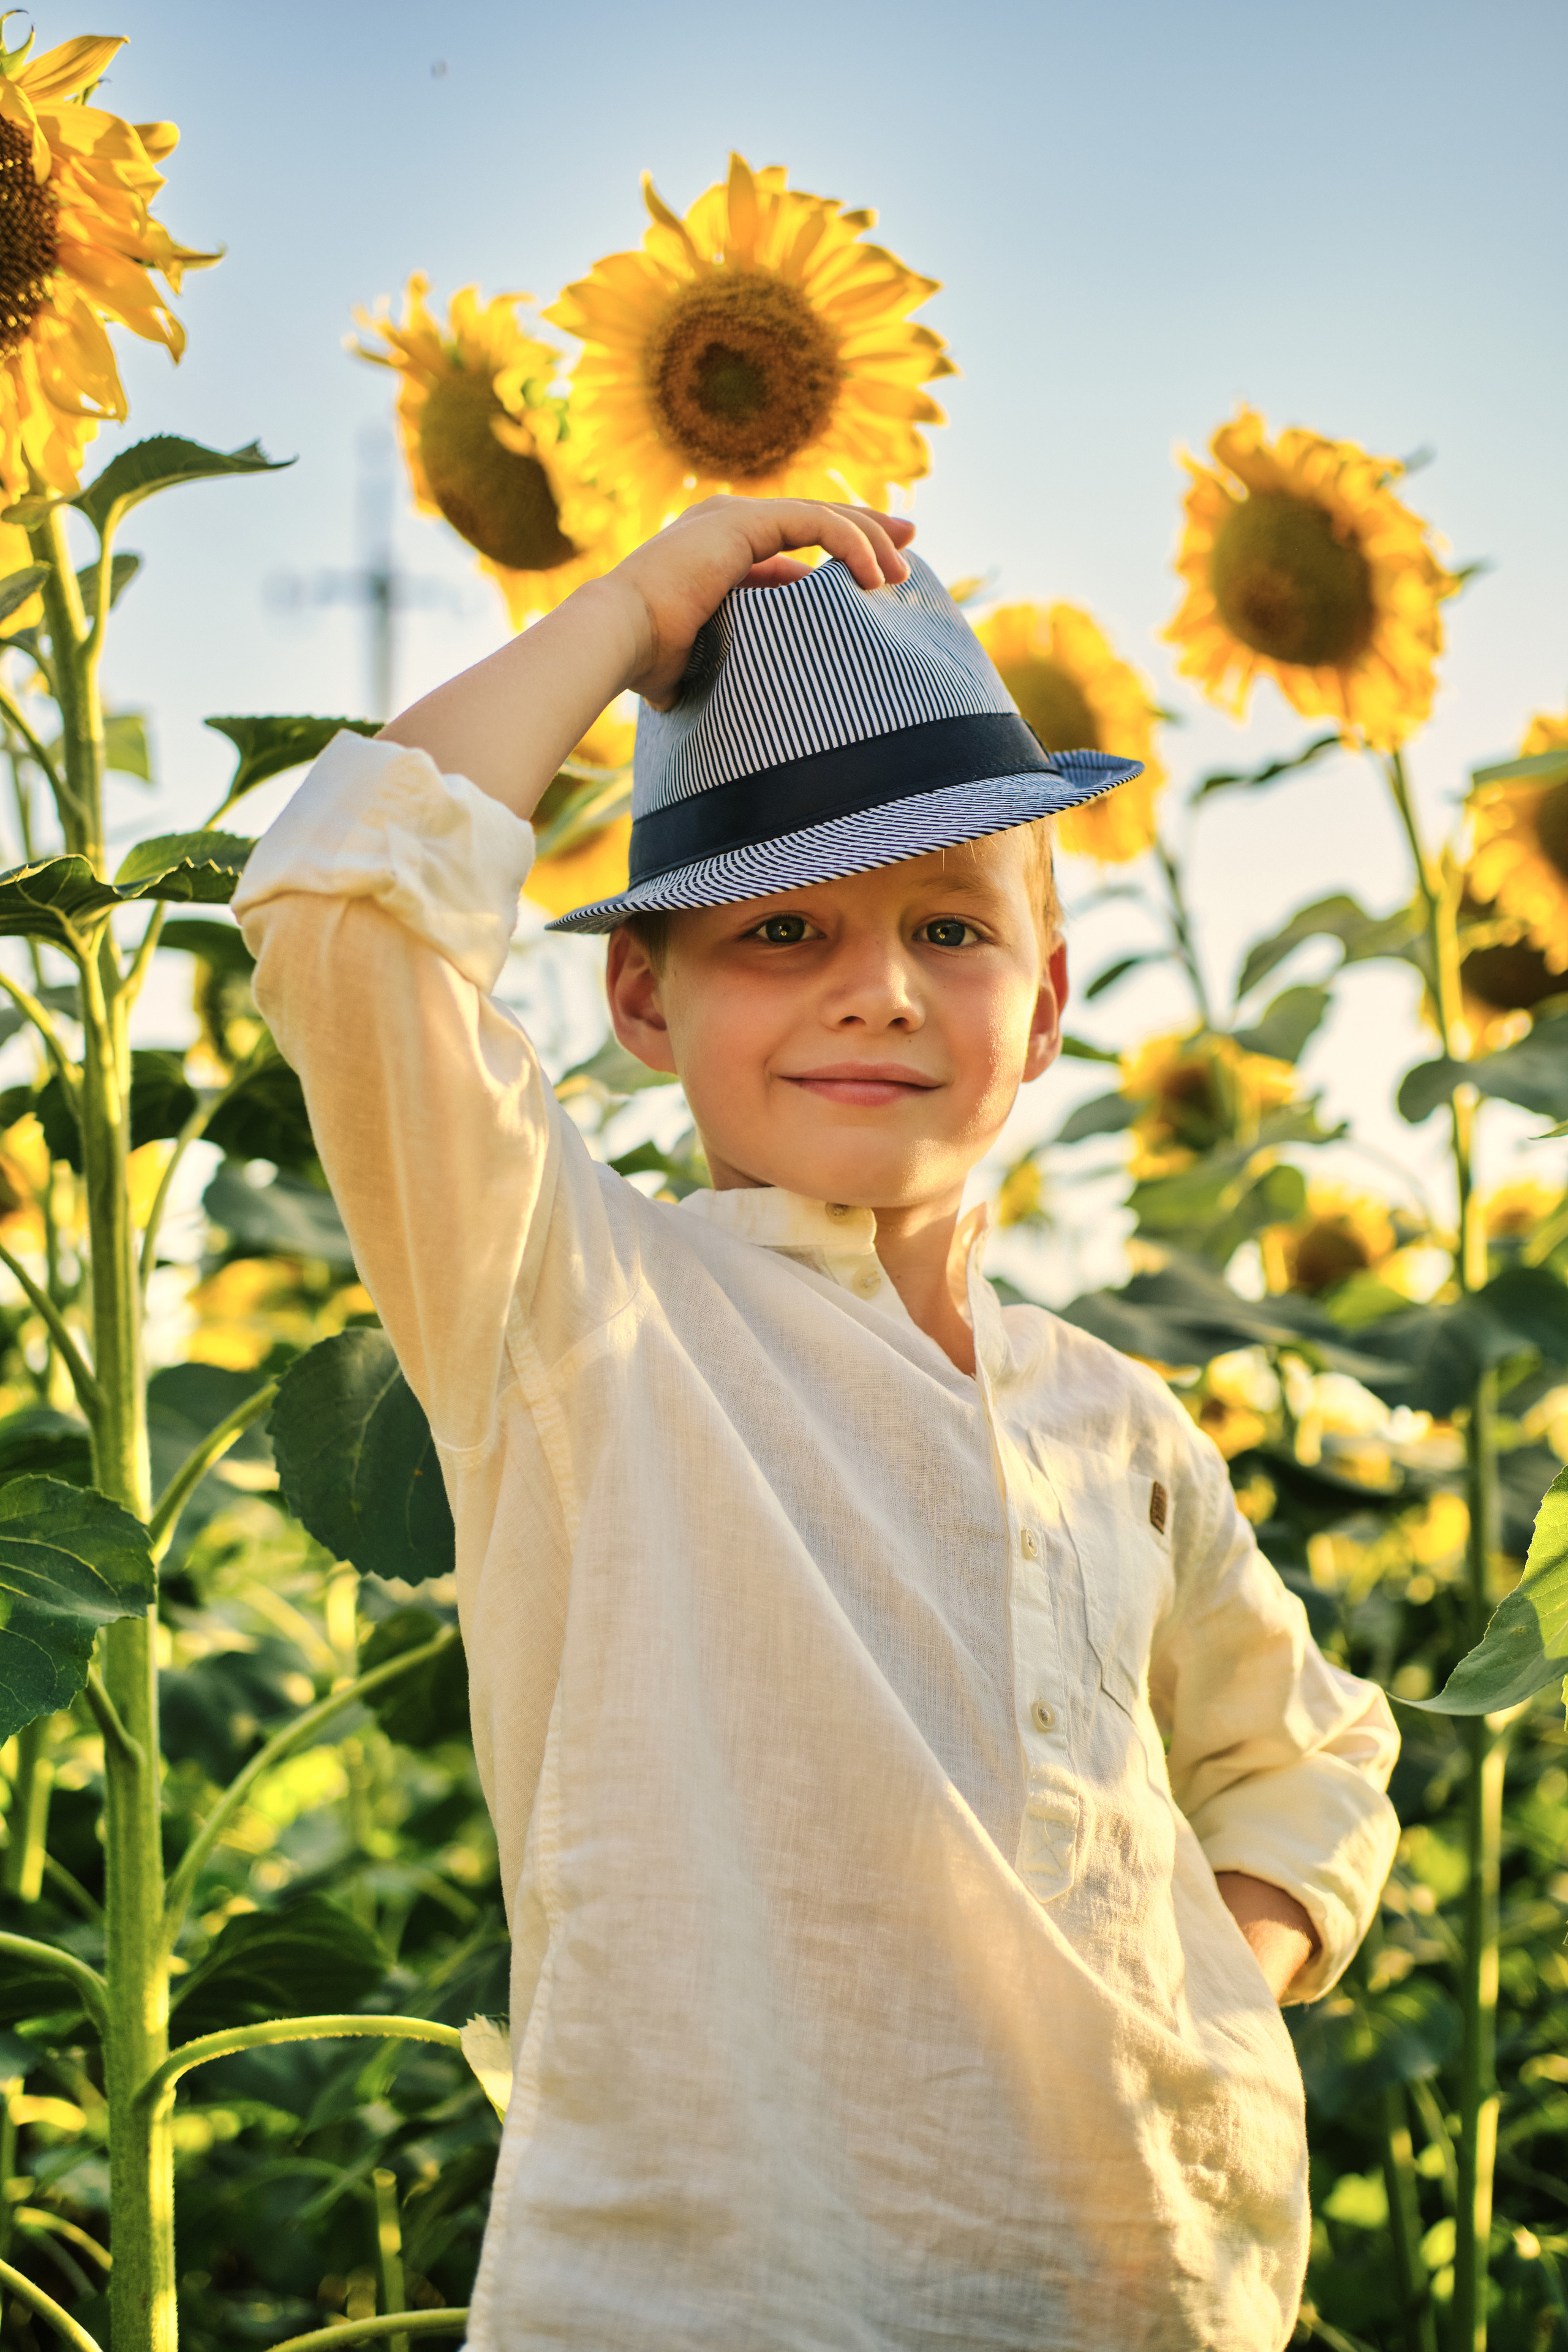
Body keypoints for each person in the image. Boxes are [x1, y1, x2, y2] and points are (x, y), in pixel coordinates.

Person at [233, 497, 1400, 2352]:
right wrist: (633, 610)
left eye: (953, 927)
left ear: (1044, 1014)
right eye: (782, 927)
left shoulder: (1113, 1419)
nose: (880, 985)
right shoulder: (579, 1313)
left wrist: (1217, 1986)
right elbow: (341, 914)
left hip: (1155, 2289)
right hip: (721, 2294)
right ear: (640, 993)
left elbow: (1305, 1745)